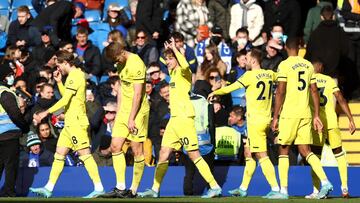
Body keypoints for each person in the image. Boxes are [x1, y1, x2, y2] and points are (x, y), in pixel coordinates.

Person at [138, 38, 222, 198]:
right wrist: (171, 52)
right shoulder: (173, 73)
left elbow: (185, 65)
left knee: (193, 154)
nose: (168, 62)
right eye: (167, 59)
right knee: (163, 153)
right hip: (174, 121)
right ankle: (155, 189)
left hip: (184, 119)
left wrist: (176, 49)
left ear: (177, 58)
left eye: (171, 59)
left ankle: (214, 186)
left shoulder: (185, 73)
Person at [30, 50, 105, 198]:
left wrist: (46, 112)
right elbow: (68, 97)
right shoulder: (73, 76)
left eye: (59, 65)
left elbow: (64, 101)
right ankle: (49, 188)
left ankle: (99, 187)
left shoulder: (75, 75)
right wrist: (58, 82)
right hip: (70, 123)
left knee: (84, 155)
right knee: (59, 154)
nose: (58, 68)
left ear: (65, 62)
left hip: (77, 122)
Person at [208, 48, 281, 199]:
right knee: (249, 153)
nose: (245, 61)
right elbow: (282, 78)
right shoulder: (270, 74)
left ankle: (276, 189)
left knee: (261, 155)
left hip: (255, 120)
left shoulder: (249, 75)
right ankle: (243, 188)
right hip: (265, 118)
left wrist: (215, 92)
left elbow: (231, 88)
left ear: (254, 60)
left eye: (247, 58)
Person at [271, 38, 333, 199]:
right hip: (306, 113)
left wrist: (276, 116)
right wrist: (317, 115)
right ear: (299, 48)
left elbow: (280, 91)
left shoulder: (284, 65)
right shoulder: (308, 65)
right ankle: (325, 182)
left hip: (290, 114)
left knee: (283, 149)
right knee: (306, 151)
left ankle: (283, 191)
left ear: (285, 47)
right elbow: (314, 91)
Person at [99, 41, 150, 198]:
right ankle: (120, 187)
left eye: (116, 59)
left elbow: (137, 94)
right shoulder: (120, 63)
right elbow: (121, 88)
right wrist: (120, 112)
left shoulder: (136, 63)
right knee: (115, 146)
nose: (115, 63)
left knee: (136, 150)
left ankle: (133, 190)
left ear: (122, 52)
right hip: (124, 111)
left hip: (138, 111)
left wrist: (131, 118)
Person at [305, 59, 356, 199]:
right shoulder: (328, 80)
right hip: (331, 121)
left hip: (317, 122)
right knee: (339, 154)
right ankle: (344, 188)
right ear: (321, 68)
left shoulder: (308, 79)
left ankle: (316, 190)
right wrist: (350, 119)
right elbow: (340, 98)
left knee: (315, 156)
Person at [0, 63, 30, 197]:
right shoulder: (5, 93)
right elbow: (14, 114)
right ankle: (9, 192)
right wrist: (25, 126)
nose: (12, 77)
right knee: (11, 166)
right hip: (9, 134)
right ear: (4, 77)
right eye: (10, 75)